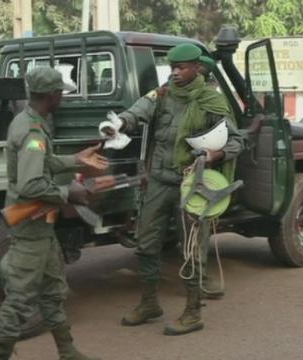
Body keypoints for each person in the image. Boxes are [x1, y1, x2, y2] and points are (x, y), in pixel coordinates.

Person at [103, 43, 244, 335]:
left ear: (197, 68)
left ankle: (193, 312)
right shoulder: (164, 93)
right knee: (145, 244)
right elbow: (139, 110)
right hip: (158, 181)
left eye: (180, 68)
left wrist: (213, 155)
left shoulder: (211, 101)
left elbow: (236, 141)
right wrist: (121, 123)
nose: (175, 73)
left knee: (191, 249)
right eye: (172, 68)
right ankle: (149, 304)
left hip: (191, 184)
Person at [0, 67, 108, 360]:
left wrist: (77, 160)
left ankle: (68, 352)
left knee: (53, 292)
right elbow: (31, 184)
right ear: (52, 95)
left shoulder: (30, 121)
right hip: (31, 231)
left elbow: (43, 162)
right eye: (61, 93)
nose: (63, 98)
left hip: (41, 230)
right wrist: (70, 193)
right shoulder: (32, 131)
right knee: (18, 300)